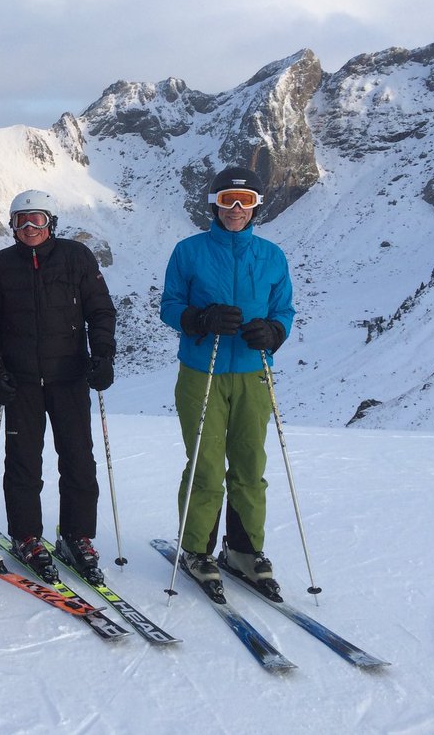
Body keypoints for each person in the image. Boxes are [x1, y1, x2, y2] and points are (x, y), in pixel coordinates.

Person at [159, 166, 295, 593]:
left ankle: (243, 549)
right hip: (203, 372)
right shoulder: (189, 251)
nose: (236, 210)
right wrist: (199, 319)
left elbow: (284, 310)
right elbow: (169, 305)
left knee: (251, 465)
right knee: (206, 464)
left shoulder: (272, 256)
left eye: (246, 201)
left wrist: (274, 332)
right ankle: (197, 548)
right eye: (227, 201)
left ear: (257, 207)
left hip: (254, 373)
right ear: (214, 205)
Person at [0, 190, 117, 580]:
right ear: (12, 227)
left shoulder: (76, 258)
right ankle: (27, 535)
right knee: (23, 461)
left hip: (69, 377)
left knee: (77, 458)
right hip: (22, 380)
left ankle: (77, 536)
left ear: (50, 222)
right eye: (21, 222)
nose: (29, 229)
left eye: (36, 220)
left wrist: (103, 355)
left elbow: (100, 309)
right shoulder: (1, 266)